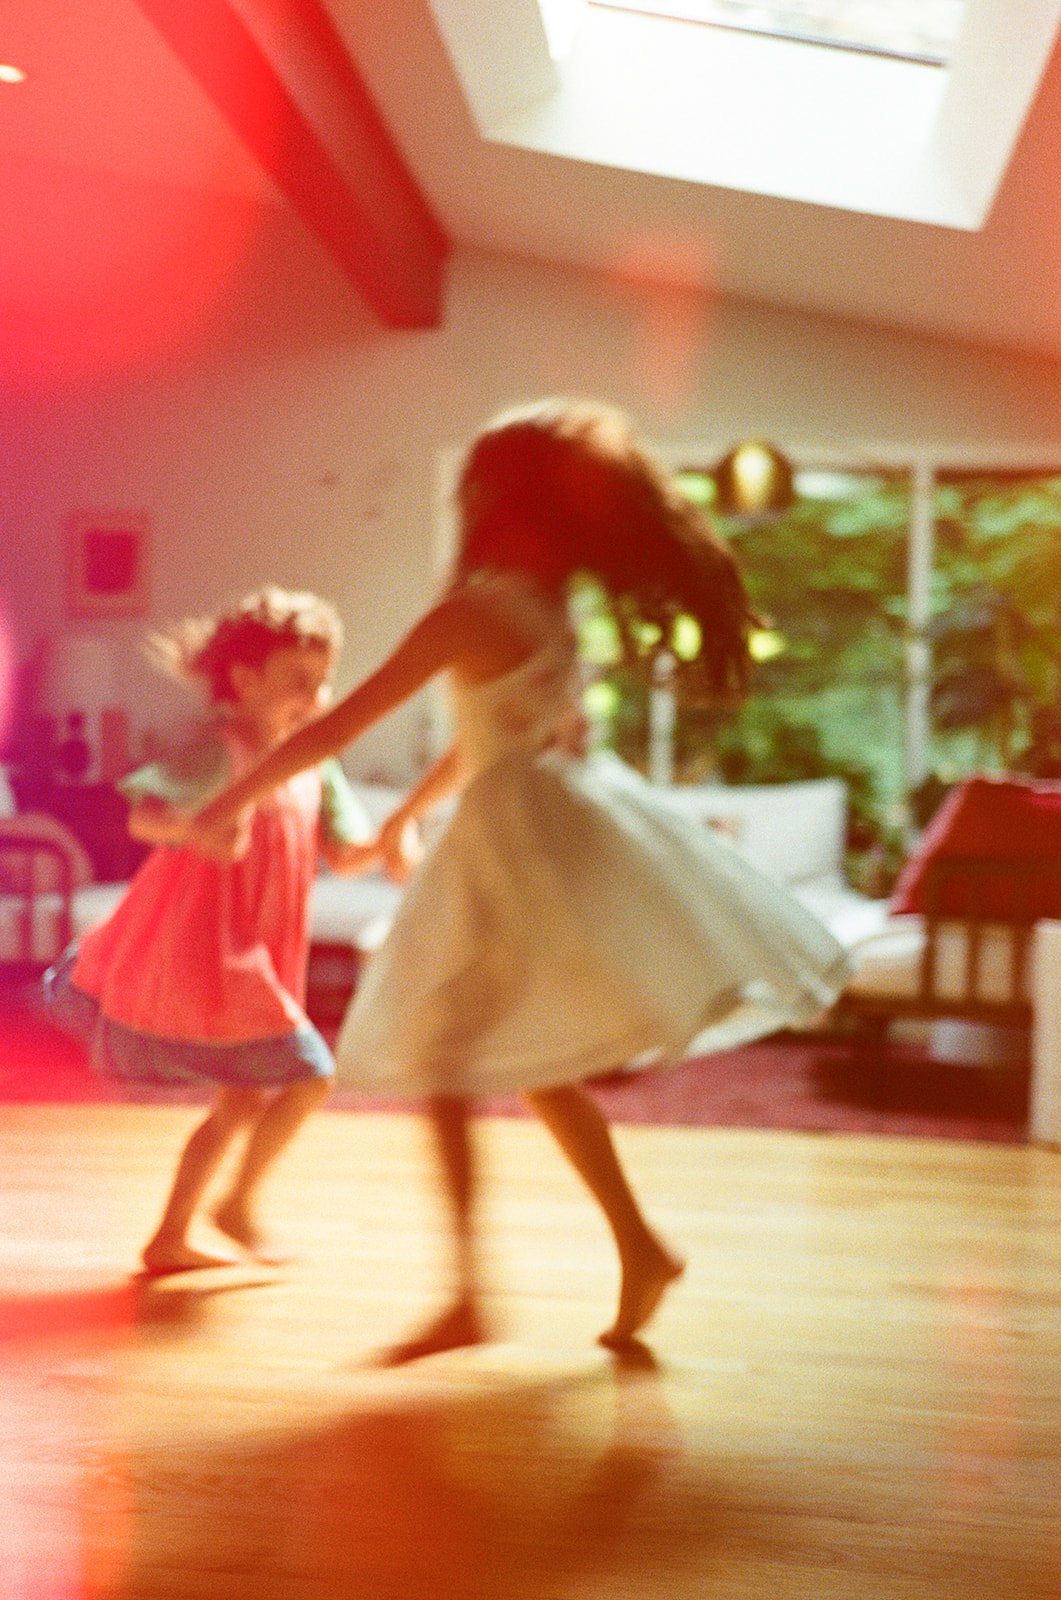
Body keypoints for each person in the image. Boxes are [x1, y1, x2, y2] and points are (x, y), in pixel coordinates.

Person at [190, 402, 850, 1355]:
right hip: (553, 820)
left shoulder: (471, 609)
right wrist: (410, 815)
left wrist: (225, 804)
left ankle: (479, 1292)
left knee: (458, 1060)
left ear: (493, 504)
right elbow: (483, 738)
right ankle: (631, 1249)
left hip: (515, 841)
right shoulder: (543, 607)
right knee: (533, 1065)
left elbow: (335, 733)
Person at [46, 585, 395, 1275]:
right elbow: (145, 818)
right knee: (310, 1077)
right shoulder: (218, 753)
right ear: (243, 680)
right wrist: (192, 832)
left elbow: (349, 857)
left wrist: (398, 835)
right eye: (301, 681)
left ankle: (171, 1237)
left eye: (325, 682)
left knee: (239, 1103)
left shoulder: (314, 764)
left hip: (267, 950)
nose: (318, 697)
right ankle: (233, 1206)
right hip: (221, 951)